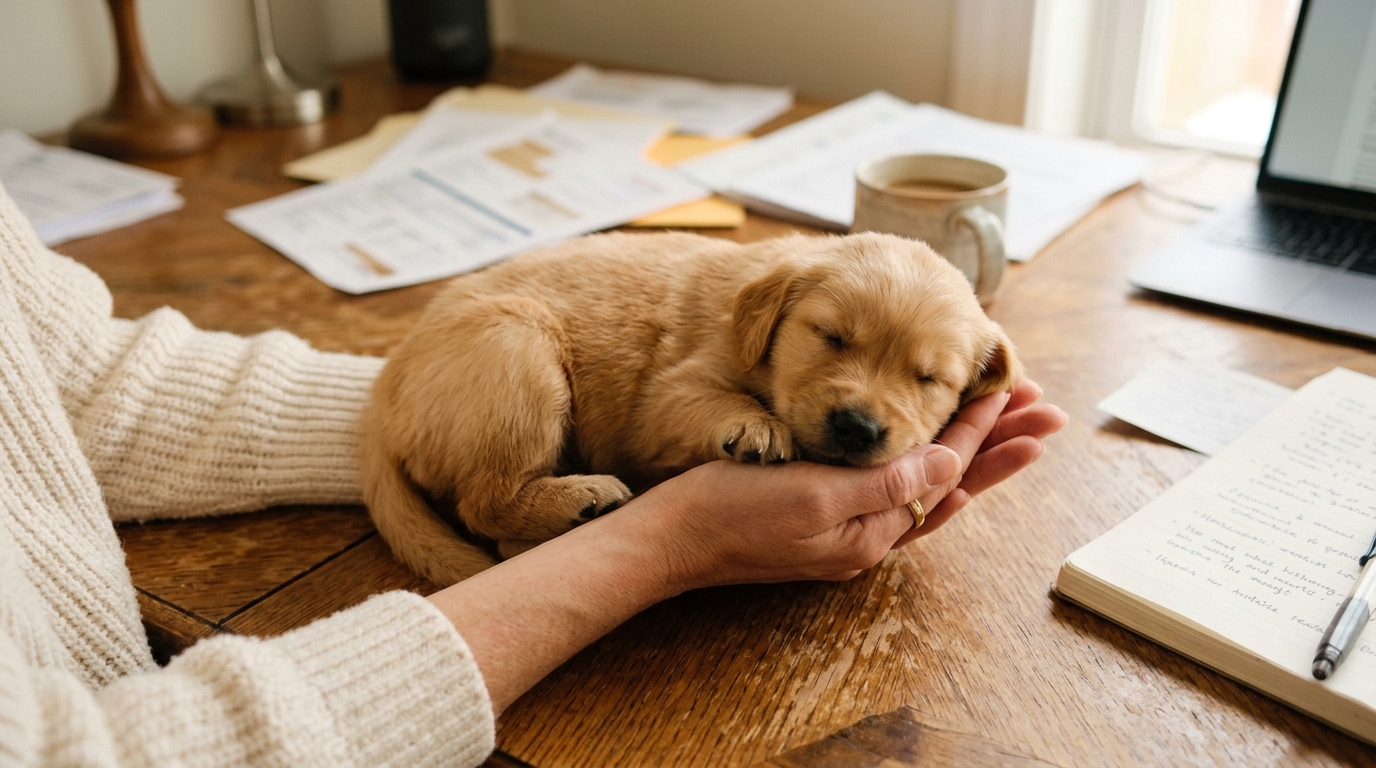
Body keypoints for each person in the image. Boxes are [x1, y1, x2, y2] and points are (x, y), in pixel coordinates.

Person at [0, 180, 1066, 767]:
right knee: (510, 358)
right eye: (831, 343)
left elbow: (65, 380)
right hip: (510, 352)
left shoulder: (871, 323)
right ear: (765, 315)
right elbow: (667, 416)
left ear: (975, 375)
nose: (858, 403)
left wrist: (408, 408)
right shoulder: (734, 325)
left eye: (921, 381)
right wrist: (657, 542)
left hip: (462, 383)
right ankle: (501, 499)